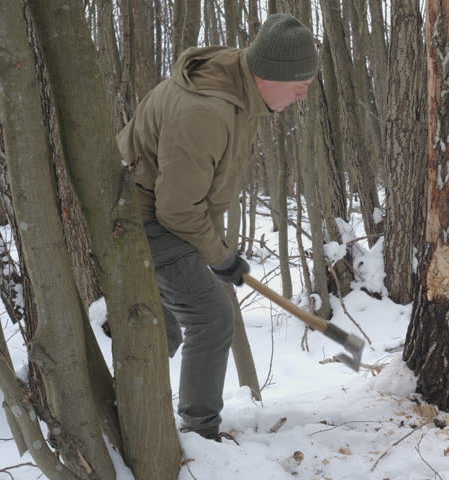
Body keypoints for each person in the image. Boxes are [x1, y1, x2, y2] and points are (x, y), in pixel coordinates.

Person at [116, 13, 317, 440]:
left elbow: (196, 191)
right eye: (299, 83)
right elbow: (177, 210)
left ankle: (133, 417)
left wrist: (216, 248)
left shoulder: (238, 88)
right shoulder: (205, 111)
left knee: (162, 324)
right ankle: (199, 433)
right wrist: (221, 256)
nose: (303, 93)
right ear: (269, 74)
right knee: (210, 318)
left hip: (163, 212)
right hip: (143, 217)